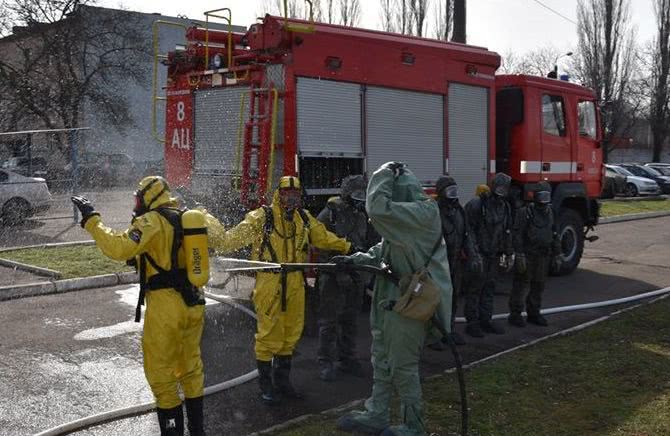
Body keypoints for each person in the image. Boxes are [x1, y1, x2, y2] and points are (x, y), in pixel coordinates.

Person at [71, 176, 209, 436]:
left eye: (138, 198)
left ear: (149, 197)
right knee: (191, 369)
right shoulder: (185, 217)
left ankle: (172, 432)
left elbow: (118, 247)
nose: (135, 203)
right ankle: (198, 431)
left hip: (166, 309)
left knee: (161, 375)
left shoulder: (152, 220)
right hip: (194, 302)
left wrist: (92, 219)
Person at [205, 175, 351, 404]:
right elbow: (230, 240)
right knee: (268, 335)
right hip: (269, 283)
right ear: (278, 194)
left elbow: (323, 238)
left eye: (295, 194)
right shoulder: (262, 218)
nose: (291, 199)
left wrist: (348, 247)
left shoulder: (304, 219)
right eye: (286, 194)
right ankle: (266, 385)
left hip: (295, 282)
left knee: (290, 334)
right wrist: (207, 228)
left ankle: (283, 383)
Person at [334, 162, 453, 436]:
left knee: (403, 364)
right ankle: (377, 413)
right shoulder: (406, 220)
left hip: (414, 299)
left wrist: (384, 173)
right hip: (392, 295)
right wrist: (354, 260)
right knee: (383, 359)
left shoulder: (424, 212)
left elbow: (377, 209)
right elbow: (384, 249)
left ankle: (414, 426)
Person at [315, 175, 374, 381]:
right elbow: (321, 246)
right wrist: (338, 273)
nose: (361, 199)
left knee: (350, 320)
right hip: (332, 277)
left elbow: (369, 244)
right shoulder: (330, 214)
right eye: (357, 194)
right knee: (329, 322)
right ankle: (326, 362)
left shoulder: (362, 215)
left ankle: (347, 358)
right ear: (347, 194)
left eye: (364, 194)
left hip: (356, 275)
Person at [464, 173, 514, 338]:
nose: (502, 191)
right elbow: (468, 231)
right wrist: (473, 254)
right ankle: (472, 323)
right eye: (499, 187)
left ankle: (486, 320)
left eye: (505, 188)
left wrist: (508, 253)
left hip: (493, 255)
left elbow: (506, 231)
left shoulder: (504, 207)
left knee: (489, 288)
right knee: (474, 289)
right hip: (480, 254)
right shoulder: (478, 205)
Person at [433, 176, 482, 346]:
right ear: (441, 193)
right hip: (438, 264)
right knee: (436, 299)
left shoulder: (459, 211)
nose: (453, 195)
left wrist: (473, 255)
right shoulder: (434, 212)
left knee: (453, 297)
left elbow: (467, 235)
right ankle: (434, 335)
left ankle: (449, 330)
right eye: (449, 191)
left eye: (455, 190)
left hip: (454, 262)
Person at [508, 182, 561, 327]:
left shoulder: (550, 213)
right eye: (541, 196)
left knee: (539, 285)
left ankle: (534, 313)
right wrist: (519, 254)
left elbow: (554, 233)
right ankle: (515, 314)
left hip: (543, 254)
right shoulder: (525, 213)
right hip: (528, 253)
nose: (543, 200)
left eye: (546, 196)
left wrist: (557, 254)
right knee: (521, 285)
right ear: (535, 197)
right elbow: (517, 234)